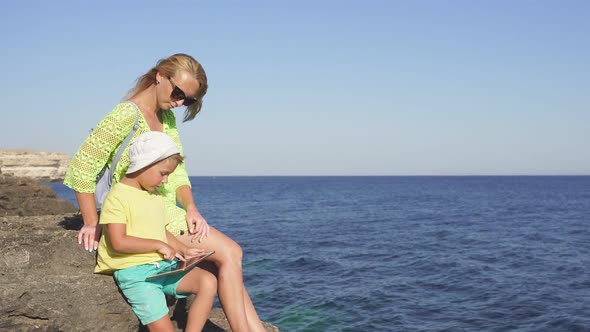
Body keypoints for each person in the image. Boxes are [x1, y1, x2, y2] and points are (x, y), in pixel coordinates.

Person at [64, 53, 266, 332]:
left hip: (166, 211)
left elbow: (178, 173)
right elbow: (83, 165)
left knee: (228, 259)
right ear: (159, 75)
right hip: (141, 215)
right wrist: (90, 220)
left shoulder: (167, 118)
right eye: (179, 92)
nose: (181, 102)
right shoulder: (126, 114)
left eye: (189, 100)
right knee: (230, 253)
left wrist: (192, 208)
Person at [95, 131, 216, 331]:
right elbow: (118, 241)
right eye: (163, 173)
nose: (166, 181)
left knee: (208, 281)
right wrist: (158, 245)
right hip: (138, 275)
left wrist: (183, 250)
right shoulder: (117, 197)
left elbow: (161, 231)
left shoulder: (153, 195)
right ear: (144, 164)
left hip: (162, 268)